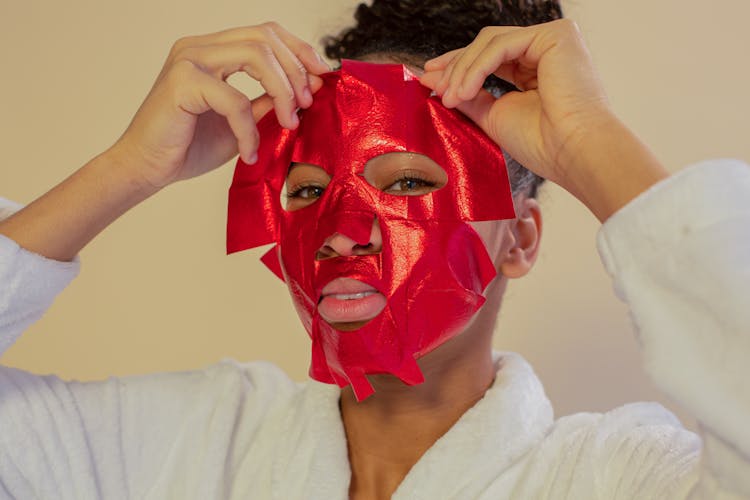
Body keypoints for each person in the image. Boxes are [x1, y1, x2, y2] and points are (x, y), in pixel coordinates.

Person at [0, 1, 749, 499]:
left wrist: (590, 144)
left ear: (518, 240)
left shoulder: (616, 476)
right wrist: (128, 166)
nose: (341, 228)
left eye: (411, 183)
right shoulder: (186, 445)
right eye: (305, 190)